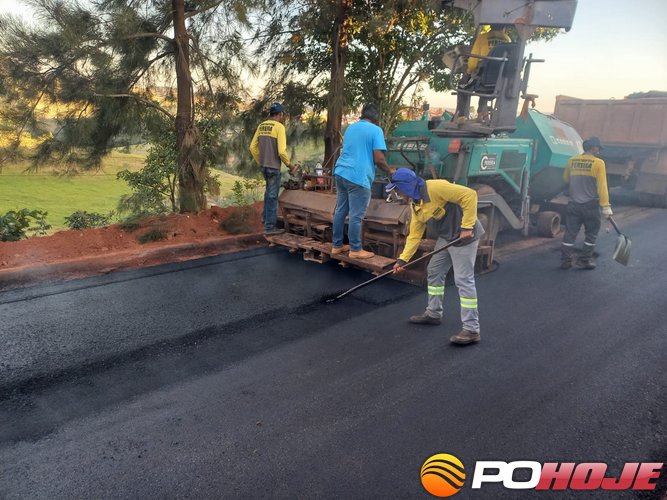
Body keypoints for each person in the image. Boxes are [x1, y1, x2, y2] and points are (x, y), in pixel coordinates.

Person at [389, 168, 484, 345]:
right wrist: (402, 260)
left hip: (464, 239)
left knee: (463, 280)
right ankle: (434, 313)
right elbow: (414, 236)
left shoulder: (435, 187)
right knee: (434, 270)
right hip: (447, 237)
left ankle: (472, 329)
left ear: (407, 186)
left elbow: (470, 195)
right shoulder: (416, 205)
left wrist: (467, 227)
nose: (397, 193)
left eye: (397, 188)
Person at [331, 103, 395, 259]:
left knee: (340, 210)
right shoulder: (376, 130)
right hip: (358, 176)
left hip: (341, 172)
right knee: (356, 215)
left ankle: (337, 245)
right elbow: (379, 158)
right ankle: (355, 249)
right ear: (376, 118)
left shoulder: (351, 128)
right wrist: (390, 170)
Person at [561, 136, 612, 270]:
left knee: (570, 233)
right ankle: (584, 260)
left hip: (573, 204)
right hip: (590, 205)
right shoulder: (598, 163)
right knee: (591, 233)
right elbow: (602, 187)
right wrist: (606, 206)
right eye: (598, 148)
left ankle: (565, 261)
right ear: (594, 148)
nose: (599, 151)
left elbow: (566, 179)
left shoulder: (571, 161)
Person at [249, 102, 296, 235]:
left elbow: (252, 147)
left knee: (268, 193)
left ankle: (265, 219)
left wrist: (261, 161)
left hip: (263, 166)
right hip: (273, 167)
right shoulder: (279, 127)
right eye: (282, 115)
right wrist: (289, 165)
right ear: (280, 114)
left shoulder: (262, 126)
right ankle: (270, 227)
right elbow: (281, 151)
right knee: (272, 196)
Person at [454, 24, 511, 122]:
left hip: (483, 79)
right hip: (500, 80)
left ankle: (461, 116)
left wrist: (469, 71)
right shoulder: (508, 40)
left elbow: (473, 62)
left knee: (463, 84)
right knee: (484, 84)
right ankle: (481, 113)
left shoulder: (483, 37)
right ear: (504, 27)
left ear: (491, 25)